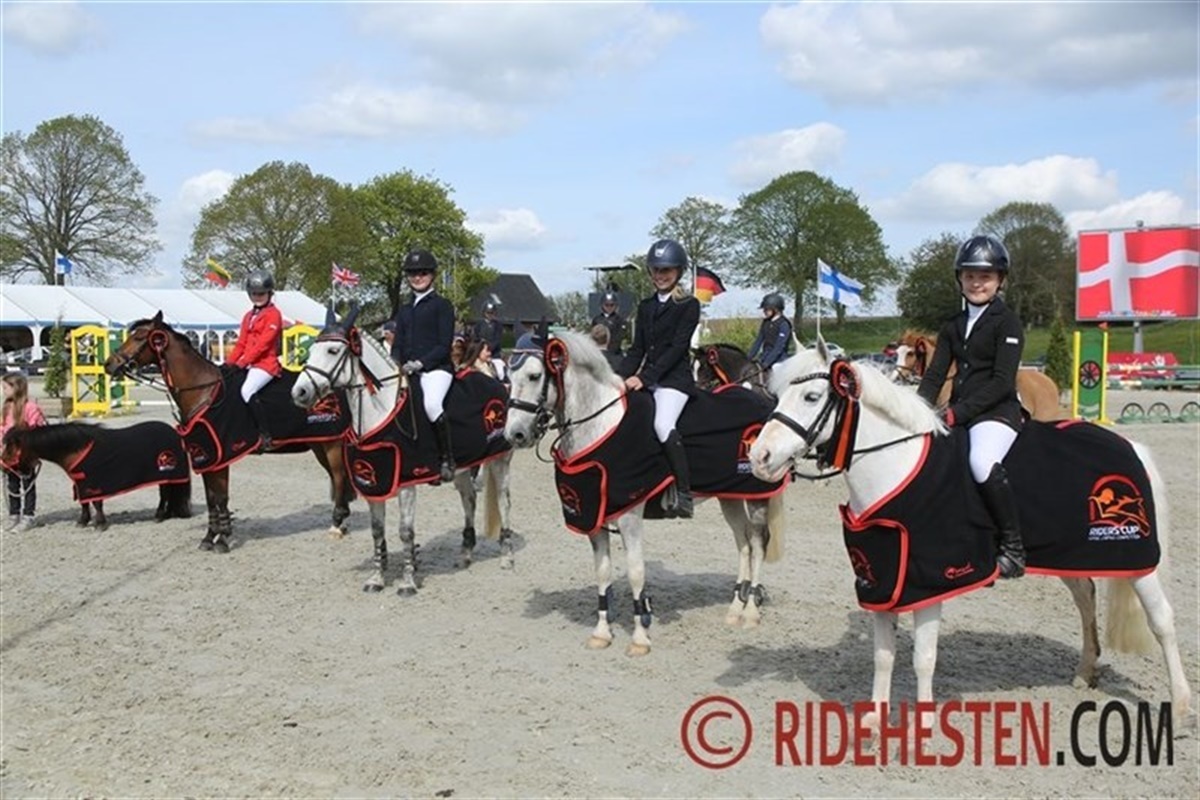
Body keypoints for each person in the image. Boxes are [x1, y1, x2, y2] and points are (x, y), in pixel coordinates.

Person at [917, 234, 1026, 579]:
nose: (977, 283)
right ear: (960, 279)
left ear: (1000, 280)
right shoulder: (953, 325)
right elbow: (935, 375)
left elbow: (1001, 382)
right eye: (970, 276)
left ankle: (1013, 548)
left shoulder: (1007, 322)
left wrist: (955, 413)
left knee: (980, 461)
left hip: (996, 413)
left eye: (985, 276)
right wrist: (916, 411)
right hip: (961, 412)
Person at [618, 238, 701, 518]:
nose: (660, 275)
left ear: (678, 271)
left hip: (674, 380)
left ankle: (684, 493)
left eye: (666, 270)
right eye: (656, 270)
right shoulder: (645, 306)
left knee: (662, 424)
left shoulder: (688, 305)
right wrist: (617, 378)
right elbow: (637, 349)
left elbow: (678, 349)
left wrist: (644, 377)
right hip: (650, 379)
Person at [391, 249, 457, 483]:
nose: (417, 277)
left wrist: (420, 363)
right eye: (412, 273)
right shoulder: (405, 309)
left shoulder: (442, 305)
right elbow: (397, 343)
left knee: (431, 404)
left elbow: (443, 344)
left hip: (436, 369)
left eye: (423, 273)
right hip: (407, 370)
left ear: (432, 275)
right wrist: (395, 363)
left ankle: (446, 458)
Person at [226, 270, 284, 452]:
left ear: (269, 293)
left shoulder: (274, 314)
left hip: (266, 364)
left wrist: (242, 363)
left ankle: (264, 434)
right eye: (254, 294)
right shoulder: (247, 316)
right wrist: (228, 365)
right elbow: (241, 344)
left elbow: (263, 345)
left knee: (247, 390)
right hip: (250, 364)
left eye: (261, 293)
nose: (257, 297)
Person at [1, 373, 47, 532]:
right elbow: (2, 428)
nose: (3, 391)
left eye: (5, 388)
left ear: (16, 388)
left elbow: (37, 431)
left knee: (28, 484)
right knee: (12, 484)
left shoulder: (31, 408)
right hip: (9, 453)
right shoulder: (7, 407)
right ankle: (14, 515)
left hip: (26, 453)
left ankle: (28, 516)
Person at [747, 293, 793, 372]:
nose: (764, 311)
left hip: (779, 359)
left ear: (776, 310)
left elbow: (779, 347)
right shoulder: (766, 322)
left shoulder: (784, 324)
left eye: (767, 309)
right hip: (764, 356)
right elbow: (758, 342)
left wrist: (767, 363)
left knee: (775, 370)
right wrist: (748, 358)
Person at [472, 302, 507, 381]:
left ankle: (501, 382)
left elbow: (497, 339)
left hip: (494, 355)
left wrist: (489, 348)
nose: (490, 315)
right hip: (480, 354)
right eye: (488, 313)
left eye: (492, 313)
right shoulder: (478, 325)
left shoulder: (498, 325)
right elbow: (475, 338)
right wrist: (481, 348)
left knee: (500, 372)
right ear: (484, 313)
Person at [591, 290, 626, 355]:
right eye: (606, 305)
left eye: (612, 305)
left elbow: (618, 337)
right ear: (602, 305)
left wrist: (609, 351)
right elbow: (594, 336)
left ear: (615, 306)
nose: (609, 307)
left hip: (614, 352)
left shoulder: (619, 320)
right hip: (598, 351)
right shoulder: (597, 319)